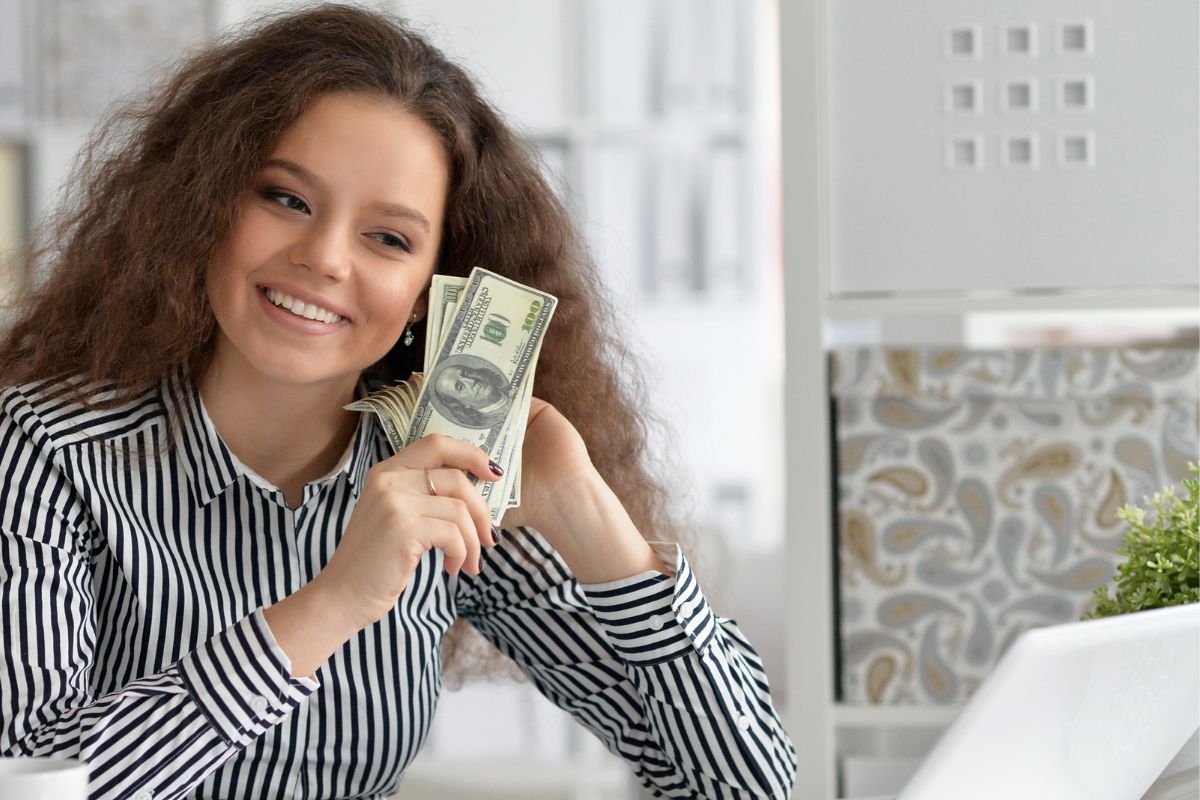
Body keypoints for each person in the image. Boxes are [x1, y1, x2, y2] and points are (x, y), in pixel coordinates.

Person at [0, 5, 798, 799]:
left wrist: (584, 509)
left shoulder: (447, 480)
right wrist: (339, 598)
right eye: (286, 198)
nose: (323, 258)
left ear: (427, 292)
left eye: (388, 239)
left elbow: (743, 786)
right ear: (205, 205)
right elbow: (27, 776)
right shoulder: (48, 449)